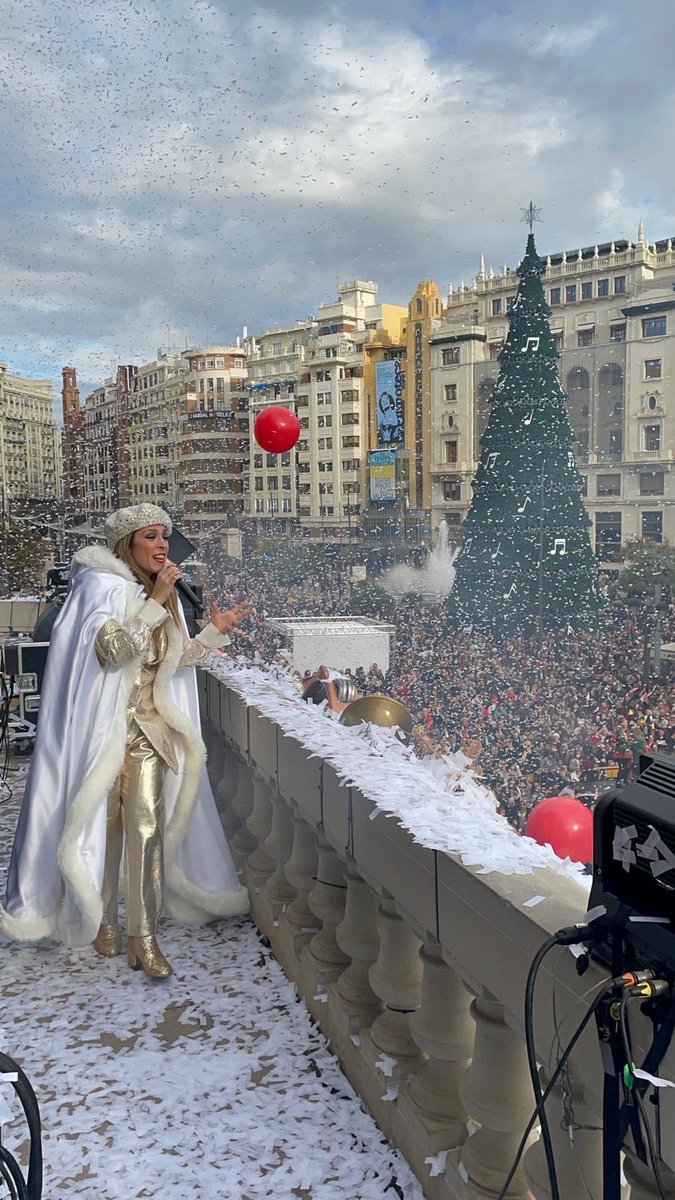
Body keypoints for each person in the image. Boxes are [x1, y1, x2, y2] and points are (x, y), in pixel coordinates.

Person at [1, 504, 251, 979]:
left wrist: (214, 634)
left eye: (165, 537)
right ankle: (101, 920)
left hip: (149, 733)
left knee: (146, 828)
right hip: (101, 734)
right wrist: (156, 601)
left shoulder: (166, 595)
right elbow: (113, 652)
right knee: (105, 828)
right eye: (150, 537)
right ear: (127, 544)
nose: (162, 545)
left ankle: (144, 937)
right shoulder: (102, 588)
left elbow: (168, 665)